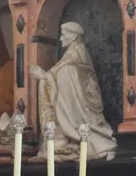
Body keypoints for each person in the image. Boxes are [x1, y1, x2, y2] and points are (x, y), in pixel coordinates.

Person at [29, 22, 116, 161]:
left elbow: (65, 90)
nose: (61, 39)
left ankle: (90, 143)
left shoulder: (70, 63)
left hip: (77, 116)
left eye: (64, 35)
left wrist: (43, 77)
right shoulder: (79, 57)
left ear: (74, 36)